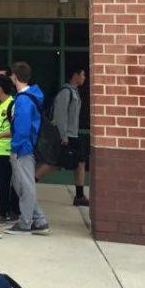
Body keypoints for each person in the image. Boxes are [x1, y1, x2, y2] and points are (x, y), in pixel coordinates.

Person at [5, 61, 49, 235]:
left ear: (15, 77)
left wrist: (14, 147)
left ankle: (25, 223)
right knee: (24, 185)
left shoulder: (23, 100)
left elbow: (22, 129)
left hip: (22, 148)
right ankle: (39, 221)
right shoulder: (31, 96)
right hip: (27, 147)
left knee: (24, 186)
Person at [36, 66, 89, 207]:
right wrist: (63, 136)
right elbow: (60, 115)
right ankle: (30, 182)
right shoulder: (66, 93)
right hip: (66, 136)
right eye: (82, 74)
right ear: (75, 75)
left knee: (80, 162)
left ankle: (79, 195)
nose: (84, 77)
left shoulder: (75, 92)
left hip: (73, 135)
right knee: (54, 164)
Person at [0, 76, 19, 225]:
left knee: (9, 184)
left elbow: (15, 130)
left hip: (7, 151)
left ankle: (7, 212)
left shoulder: (12, 104)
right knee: (1, 183)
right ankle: (4, 211)